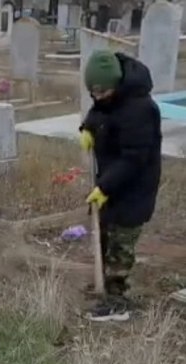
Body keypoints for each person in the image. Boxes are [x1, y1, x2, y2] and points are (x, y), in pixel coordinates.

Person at [80, 49, 162, 322]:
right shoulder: (108, 97)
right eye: (93, 92)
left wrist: (104, 187)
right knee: (104, 232)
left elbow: (134, 158)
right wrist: (88, 129)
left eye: (102, 92)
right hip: (112, 181)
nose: (97, 97)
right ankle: (102, 282)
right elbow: (99, 112)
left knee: (121, 243)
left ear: (115, 85)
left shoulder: (140, 109)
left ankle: (117, 301)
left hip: (134, 187)